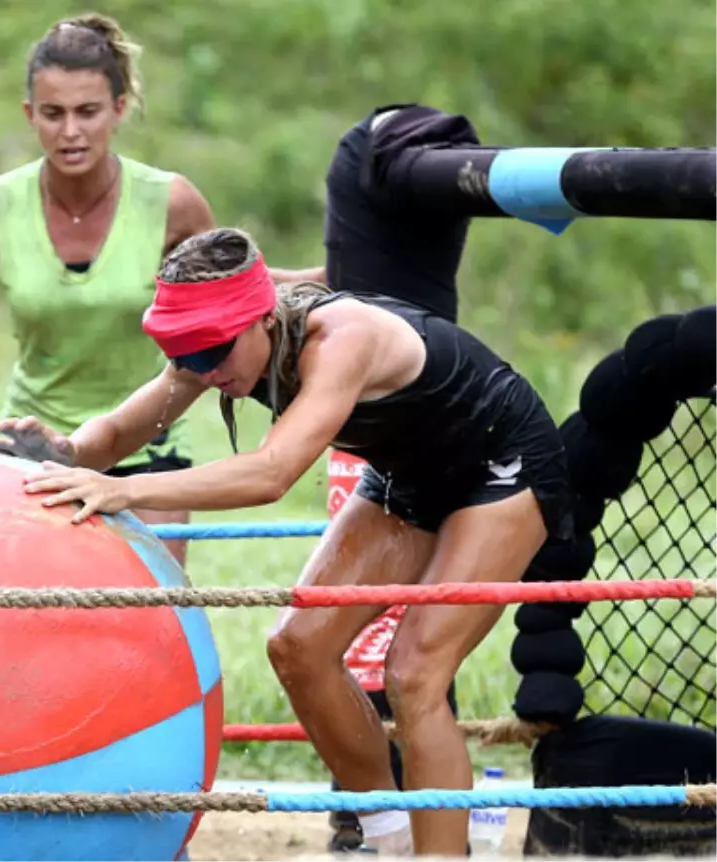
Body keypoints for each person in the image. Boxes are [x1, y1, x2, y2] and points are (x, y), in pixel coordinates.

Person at [0, 227, 572, 858]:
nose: (203, 370)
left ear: (260, 318)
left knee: (416, 674)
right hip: (409, 471)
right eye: (189, 355)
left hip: (500, 463)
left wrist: (124, 492)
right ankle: (387, 834)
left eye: (212, 354)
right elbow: (128, 425)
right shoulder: (216, 345)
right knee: (298, 647)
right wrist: (63, 452)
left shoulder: (343, 339)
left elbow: (272, 473)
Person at [0, 13, 321, 568]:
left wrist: (336, 275)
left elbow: (245, 287)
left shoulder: (169, 202)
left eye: (88, 112)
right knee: (29, 615)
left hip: (146, 439)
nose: (71, 131)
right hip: (35, 443)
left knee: (156, 620)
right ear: (29, 114)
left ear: (118, 109)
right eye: (53, 114)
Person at [319, 102, 483, 852]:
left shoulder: (410, 188)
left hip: (422, 423)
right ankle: (367, 811)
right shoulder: (365, 242)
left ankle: (413, 818)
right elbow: (345, 275)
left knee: (411, 653)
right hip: (363, 426)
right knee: (353, 638)